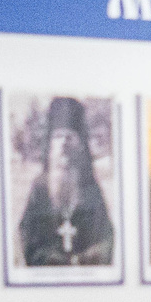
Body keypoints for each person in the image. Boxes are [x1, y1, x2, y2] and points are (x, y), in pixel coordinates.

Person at [18, 96, 114, 268]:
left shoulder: (91, 186)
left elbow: (105, 237)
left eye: (69, 137)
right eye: (58, 136)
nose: (63, 143)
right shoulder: (39, 188)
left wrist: (85, 259)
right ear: (50, 145)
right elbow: (27, 236)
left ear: (80, 145)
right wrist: (53, 261)